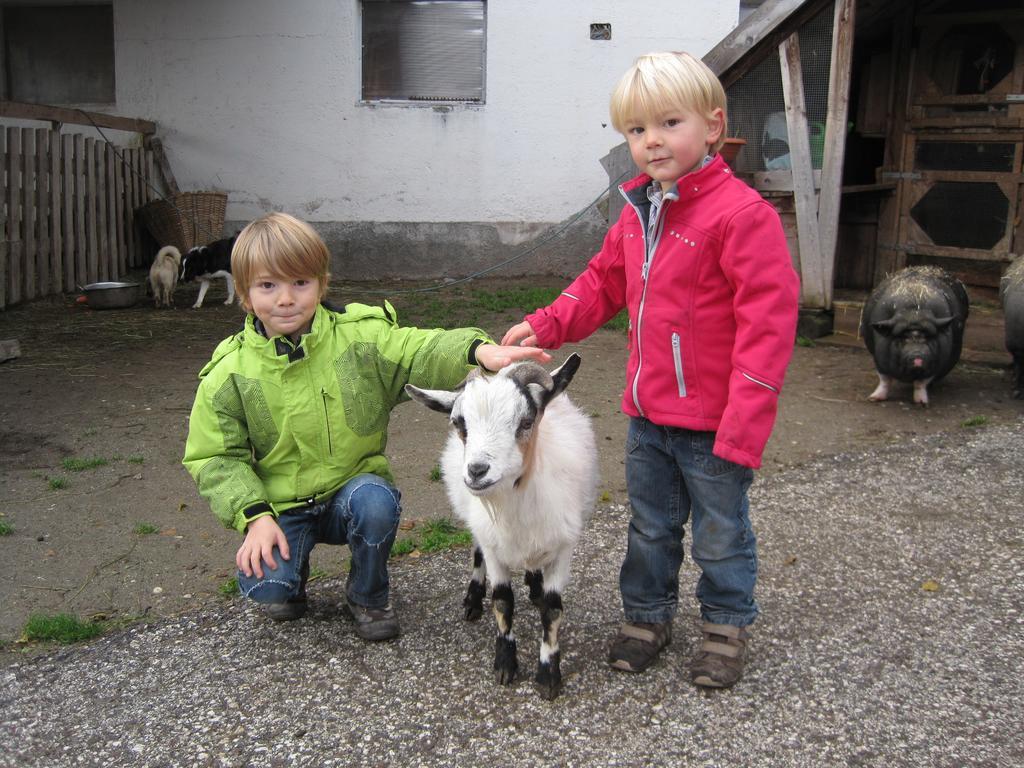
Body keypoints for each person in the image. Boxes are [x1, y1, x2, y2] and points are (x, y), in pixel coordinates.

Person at [503, 51, 799, 687]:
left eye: (669, 123)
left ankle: (724, 627)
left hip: (717, 422)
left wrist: (745, 426)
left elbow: (768, 327)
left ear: (713, 125)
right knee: (650, 526)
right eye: (636, 130)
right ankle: (646, 618)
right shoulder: (638, 213)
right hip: (648, 417)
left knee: (721, 532)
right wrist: (547, 324)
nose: (652, 141)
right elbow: (602, 283)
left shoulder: (743, 216)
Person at [183, 212, 550, 641]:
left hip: (352, 491)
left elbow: (417, 349)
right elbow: (214, 456)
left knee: (376, 504)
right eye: (268, 286)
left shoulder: (360, 339)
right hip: (278, 505)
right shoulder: (229, 372)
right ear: (244, 294)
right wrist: (253, 516)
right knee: (269, 588)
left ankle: (367, 595)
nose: (286, 298)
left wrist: (476, 350)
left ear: (322, 284)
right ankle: (289, 575)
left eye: (300, 283)